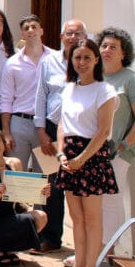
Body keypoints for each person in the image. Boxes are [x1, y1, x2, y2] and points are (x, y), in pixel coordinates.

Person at [55, 38, 118, 267]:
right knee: (76, 217)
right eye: (77, 58)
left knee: (92, 219)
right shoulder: (69, 88)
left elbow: (103, 131)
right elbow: (62, 124)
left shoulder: (105, 91)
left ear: (96, 60)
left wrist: (83, 159)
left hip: (91, 158)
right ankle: (78, 266)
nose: (81, 63)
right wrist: (62, 154)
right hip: (69, 157)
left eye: (86, 58)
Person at [32, 19, 87, 254]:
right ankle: (48, 237)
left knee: (80, 188)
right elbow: (41, 96)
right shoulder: (49, 62)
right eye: (68, 33)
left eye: (77, 33)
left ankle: (84, 244)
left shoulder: (91, 62)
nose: (72, 37)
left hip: (82, 131)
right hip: (53, 130)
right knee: (49, 185)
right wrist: (42, 131)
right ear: (61, 37)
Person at [97, 27, 135, 255]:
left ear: (123, 53)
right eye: (104, 45)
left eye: (113, 47)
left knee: (111, 201)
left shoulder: (131, 80)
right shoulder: (96, 77)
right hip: (94, 151)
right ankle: (92, 252)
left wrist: (123, 145)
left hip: (117, 154)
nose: (107, 50)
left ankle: (109, 255)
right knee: (94, 203)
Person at [0, 127, 50, 266]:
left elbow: (21, 194)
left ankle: (7, 247)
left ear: (4, 143)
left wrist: (40, 192)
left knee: (41, 216)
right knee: (26, 221)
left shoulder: (15, 163)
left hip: (12, 215)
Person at [0, 15, 52, 171]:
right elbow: (6, 99)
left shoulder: (55, 59)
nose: (31, 31)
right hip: (19, 123)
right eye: (26, 28)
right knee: (15, 173)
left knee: (43, 175)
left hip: (45, 124)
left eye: (34, 27)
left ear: (41, 31)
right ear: (22, 34)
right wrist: (6, 132)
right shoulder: (12, 63)